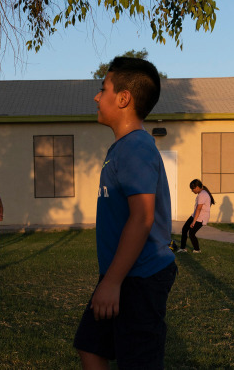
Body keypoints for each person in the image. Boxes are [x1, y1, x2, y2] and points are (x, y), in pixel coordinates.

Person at [73, 57, 177, 369]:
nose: (96, 96)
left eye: (102, 89)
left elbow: (142, 218)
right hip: (120, 274)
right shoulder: (121, 148)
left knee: (138, 362)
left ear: (123, 98)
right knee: (90, 345)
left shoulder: (136, 147)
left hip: (141, 277)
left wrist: (113, 282)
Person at [177, 179, 214, 253]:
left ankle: (197, 249)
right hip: (195, 216)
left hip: (201, 218)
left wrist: (194, 221)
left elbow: (199, 209)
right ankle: (182, 248)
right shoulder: (202, 193)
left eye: (192, 188)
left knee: (191, 233)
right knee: (184, 229)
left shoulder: (202, 194)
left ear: (197, 187)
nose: (192, 190)